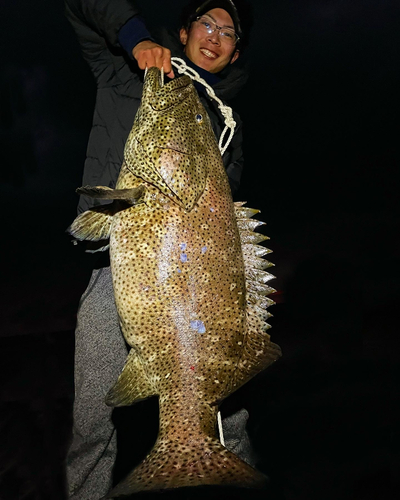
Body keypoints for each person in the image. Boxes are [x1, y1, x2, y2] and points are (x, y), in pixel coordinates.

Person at [64, 1, 253, 498]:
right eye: (206, 24)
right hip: (122, 274)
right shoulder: (126, 71)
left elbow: (228, 226)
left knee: (228, 419)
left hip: (202, 296)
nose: (214, 37)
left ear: (234, 54)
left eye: (228, 33)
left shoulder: (227, 127)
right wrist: (132, 36)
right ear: (186, 30)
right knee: (92, 418)